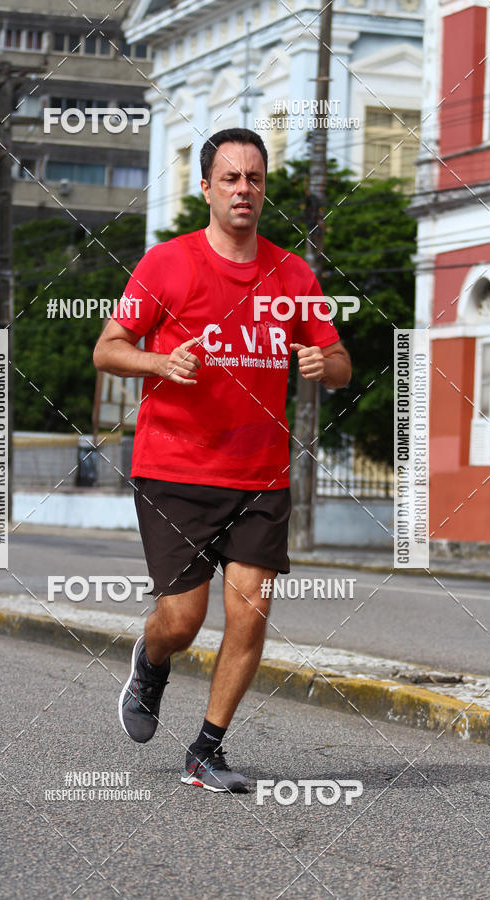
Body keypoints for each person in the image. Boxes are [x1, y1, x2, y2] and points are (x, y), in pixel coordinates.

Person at [93, 127, 351, 793]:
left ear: (265, 190)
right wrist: (158, 362)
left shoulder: (293, 275)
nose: (243, 189)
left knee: (250, 612)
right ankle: (152, 660)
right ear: (206, 188)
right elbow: (108, 348)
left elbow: (340, 361)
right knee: (182, 621)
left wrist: (325, 365)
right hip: (175, 470)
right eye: (231, 178)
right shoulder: (166, 263)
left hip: (261, 475)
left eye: (254, 179)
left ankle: (206, 751)